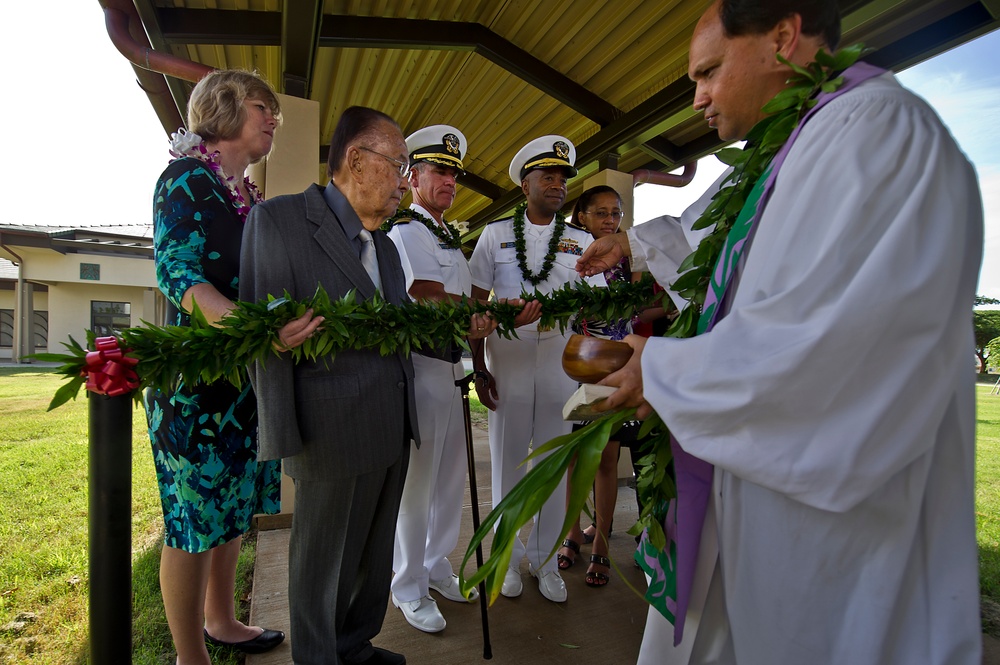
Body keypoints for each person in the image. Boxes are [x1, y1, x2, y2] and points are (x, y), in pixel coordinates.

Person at [577, 1, 983, 663]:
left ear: (784, 37)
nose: (699, 99)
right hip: (748, 497)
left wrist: (665, 369)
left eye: (707, 72)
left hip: (830, 535)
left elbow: (835, 345)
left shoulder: (877, 129)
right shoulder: (786, 147)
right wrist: (634, 246)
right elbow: (720, 256)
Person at [146, 69, 320, 665]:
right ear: (220, 109)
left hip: (245, 382)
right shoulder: (186, 178)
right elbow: (181, 277)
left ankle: (221, 619)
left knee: (232, 510)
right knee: (193, 522)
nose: (273, 118)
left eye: (274, 110)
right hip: (196, 387)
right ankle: (188, 655)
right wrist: (254, 330)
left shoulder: (248, 196)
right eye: (260, 106)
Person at [240, 106, 418, 665]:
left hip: (390, 423)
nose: (405, 183)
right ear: (356, 161)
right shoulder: (281, 223)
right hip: (328, 432)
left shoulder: (385, 246)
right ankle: (318, 658)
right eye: (399, 165)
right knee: (322, 564)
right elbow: (255, 334)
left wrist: (468, 331)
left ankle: (355, 645)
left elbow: (403, 324)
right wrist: (282, 435)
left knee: (372, 553)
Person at [468, 136, 603, 603]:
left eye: (563, 178)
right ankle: (504, 554)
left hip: (559, 358)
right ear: (525, 183)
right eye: (547, 176)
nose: (557, 185)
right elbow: (474, 303)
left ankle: (545, 561)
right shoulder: (494, 234)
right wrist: (480, 369)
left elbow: (601, 299)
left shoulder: (584, 241)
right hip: (509, 354)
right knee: (506, 460)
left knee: (552, 461)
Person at [385, 124, 497, 633]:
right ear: (413, 177)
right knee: (419, 483)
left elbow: (470, 297)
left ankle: (436, 564)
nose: (449, 180)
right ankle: (406, 585)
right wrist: (486, 311)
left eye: (454, 173)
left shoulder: (445, 233)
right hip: (423, 364)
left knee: (450, 479)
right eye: (438, 171)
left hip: (452, 366)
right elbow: (423, 291)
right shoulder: (407, 230)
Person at [556, 185, 633, 588]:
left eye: (615, 213)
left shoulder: (624, 259)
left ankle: (601, 542)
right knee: (573, 458)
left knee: (606, 459)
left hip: (617, 368)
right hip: (576, 369)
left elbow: (631, 311)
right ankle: (571, 534)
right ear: (581, 216)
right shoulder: (567, 253)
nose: (609, 219)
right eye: (600, 212)